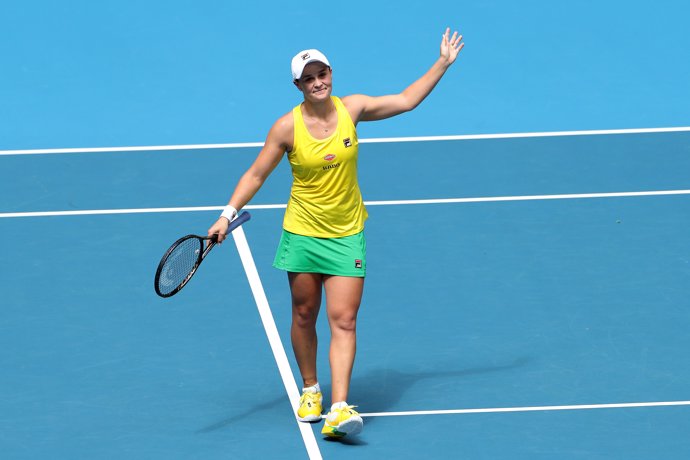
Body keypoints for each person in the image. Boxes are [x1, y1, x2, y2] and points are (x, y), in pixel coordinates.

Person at [208, 28, 464, 438]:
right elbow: (256, 174)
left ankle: (340, 407)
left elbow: (406, 100)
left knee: (343, 320)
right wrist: (226, 213)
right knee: (304, 315)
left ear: (331, 73)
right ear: (298, 86)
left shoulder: (354, 108)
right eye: (308, 78)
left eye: (322, 73)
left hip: (346, 234)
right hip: (303, 234)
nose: (317, 82)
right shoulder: (285, 129)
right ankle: (311, 389)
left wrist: (442, 63)